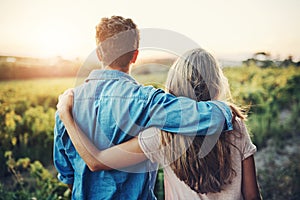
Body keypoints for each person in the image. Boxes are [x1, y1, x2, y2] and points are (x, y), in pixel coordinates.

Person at [53, 16, 233, 199]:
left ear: (99, 53)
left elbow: (67, 175)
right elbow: (214, 118)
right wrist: (227, 110)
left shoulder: (67, 105)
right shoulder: (147, 100)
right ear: (135, 55)